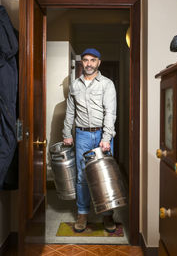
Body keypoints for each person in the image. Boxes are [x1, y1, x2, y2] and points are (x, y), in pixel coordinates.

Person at [62, 48, 117, 233]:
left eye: (92, 60)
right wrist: (66, 133)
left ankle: (108, 215)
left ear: (98, 62)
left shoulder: (107, 84)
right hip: (82, 135)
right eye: (85, 60)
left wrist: (106, 138)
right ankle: (83, 213)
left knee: (105, 177)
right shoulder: (75, 85)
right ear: (82, 63)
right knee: (82, 176)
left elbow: (110, 112)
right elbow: (70, 111)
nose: (89, 64)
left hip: (102, 135)